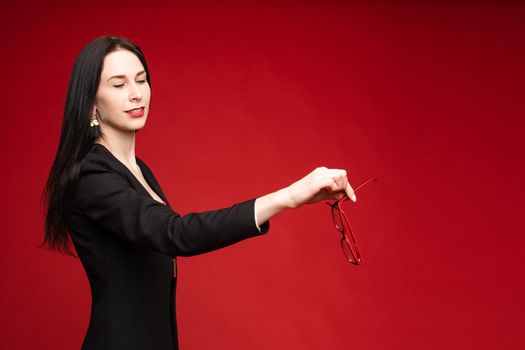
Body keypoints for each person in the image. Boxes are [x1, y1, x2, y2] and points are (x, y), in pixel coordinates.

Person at [40, 36, 357, 350]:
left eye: (141, 80)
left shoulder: (138, 171)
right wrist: (288, 197)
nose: (136, 94)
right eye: (118, 84)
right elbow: (175, 233)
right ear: (92, 101)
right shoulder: (92, 175)